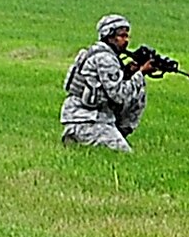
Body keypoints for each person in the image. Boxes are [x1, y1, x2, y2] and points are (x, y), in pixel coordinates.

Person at [62, 14, 148, 152]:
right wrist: (141, 74)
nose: (126, 41)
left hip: (86, 117)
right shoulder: (105, 58)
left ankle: (109, 134)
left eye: (127, 36)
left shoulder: (101, 54)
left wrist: (129, 72)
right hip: (88, 119)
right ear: (109, 36)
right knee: (123, 155)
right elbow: (119, 95)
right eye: (121, 36)